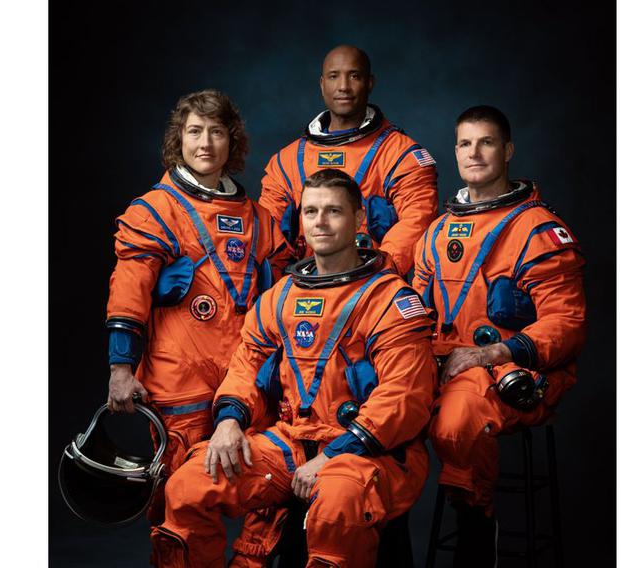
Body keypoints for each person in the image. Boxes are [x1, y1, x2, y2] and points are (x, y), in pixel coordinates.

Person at [151, 169, 437, 567]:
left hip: (371, 451)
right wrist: (230, 420)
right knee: (187, 485)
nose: (320, 222)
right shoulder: (280, 297)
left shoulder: (390, 300)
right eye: (311, 211)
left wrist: (335, 453)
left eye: (333, 211)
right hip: (291, 442)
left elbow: (405, 399)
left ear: (358, 221)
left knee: (337, 504)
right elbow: (246, 365)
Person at [104, 90, 290, 561]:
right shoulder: (154, 211)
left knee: (263, 493)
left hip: (247, 383)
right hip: (178, 385)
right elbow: (129, 291)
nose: (205, 142)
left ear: (233, 141)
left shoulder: (259, 220)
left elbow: (291, 294)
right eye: (194, 131)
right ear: (178, 140)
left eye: (216, 131)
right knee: (179, 502)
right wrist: (120, 367)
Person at [413, 105, 586, 566]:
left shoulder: (538, 231)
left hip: (511, 369)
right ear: (455, 152)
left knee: (458, 418)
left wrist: (494, 351)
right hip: (442, 365)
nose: (475, 152)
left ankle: (476, 525)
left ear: (507, 150)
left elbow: (566, 324)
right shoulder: (436, 233)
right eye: (465, 143)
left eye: (486, 142)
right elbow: (413, 314)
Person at [259, 45, 438, 275]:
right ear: (322, 84)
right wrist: (285, 288)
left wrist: (373, 277)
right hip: (303, 290)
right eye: (334, 77)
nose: (343, 87)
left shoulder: (401, 155)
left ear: (369, 83)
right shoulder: (287, 162)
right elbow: (267, 234)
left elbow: (416, 222)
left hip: (372, 289)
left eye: (354, 76)